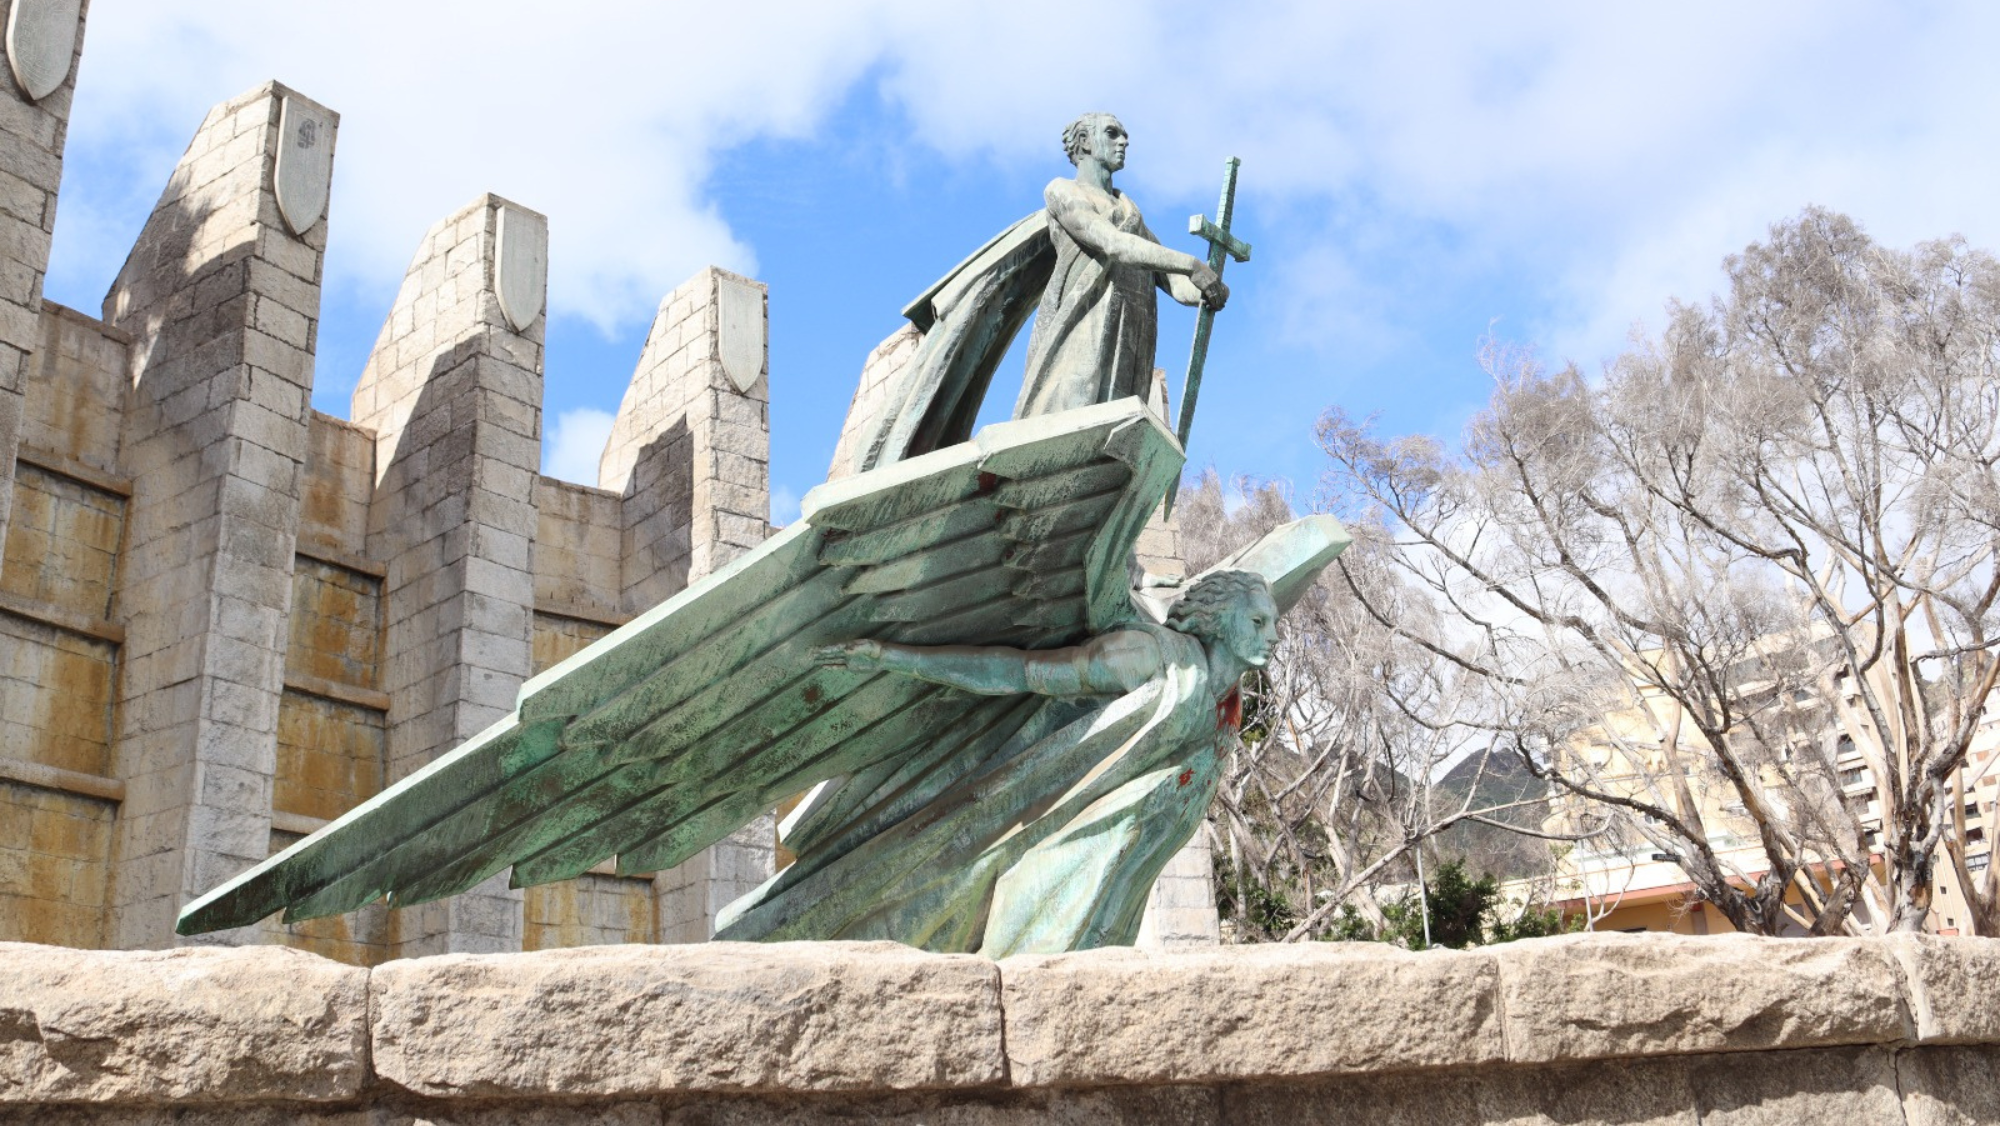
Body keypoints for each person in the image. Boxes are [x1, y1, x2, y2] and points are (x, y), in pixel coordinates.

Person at [714, 570, 1278, 956]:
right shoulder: (1152, 660)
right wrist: (894, 658)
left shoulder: (1223, 710)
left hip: (1108, 871)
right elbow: (1016, 671)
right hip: (1015, 822)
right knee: (901, 907)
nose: (1273, 636)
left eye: (1272, 623)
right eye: (1258, 622)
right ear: (1218, 618)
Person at [1015, 112, 1229, 418]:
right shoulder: (1063, 191)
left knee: (1118, 430)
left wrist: (1209, 290)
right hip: (1083, 331)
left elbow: (1176, 285)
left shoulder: (1130, 212)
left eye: (1124, 135)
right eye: (1113, 133)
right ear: (1085, 142)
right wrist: (1193, 264)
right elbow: (1114, 244)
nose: (1124, 141)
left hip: (1129, 336)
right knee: (1073, 420)